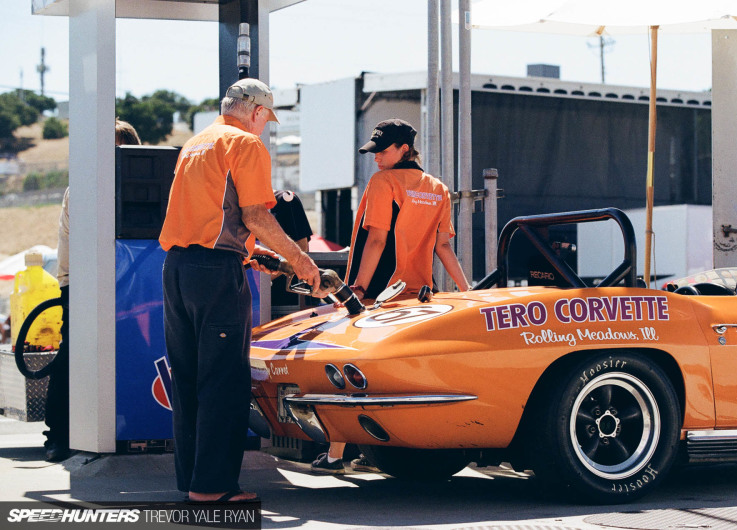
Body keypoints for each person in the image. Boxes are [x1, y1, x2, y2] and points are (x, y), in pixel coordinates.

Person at [159, 78, 320, 504]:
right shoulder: (245, 145)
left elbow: (214, 218)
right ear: (255, 110)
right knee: (223, 380)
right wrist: (301, 261)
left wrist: (254, 254)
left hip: (177, 269)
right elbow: (256, 217)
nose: (266, 126)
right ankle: (213, 488)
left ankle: (194, 483)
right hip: (215, 274)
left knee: (190, 378)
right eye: (267, 116)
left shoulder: (195, 144)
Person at [312, 118, 469, 473]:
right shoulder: (438, 188)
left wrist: (359, 288)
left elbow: (378, 240)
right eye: (373, 152)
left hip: (377, 296)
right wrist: (466, 292)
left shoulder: (384, 182)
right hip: (419, 296)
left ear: (403, 150)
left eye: (382, 151)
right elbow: (444, 247)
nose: (376, 158)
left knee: (350, 372)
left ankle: (337, 456)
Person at [43, 119, 141, 463]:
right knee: (72, 359)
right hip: (82, 286)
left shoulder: (132, 186)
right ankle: (58, 435)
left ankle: (132, 427)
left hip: (128, 287)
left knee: (139, 353)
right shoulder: (83, 189)